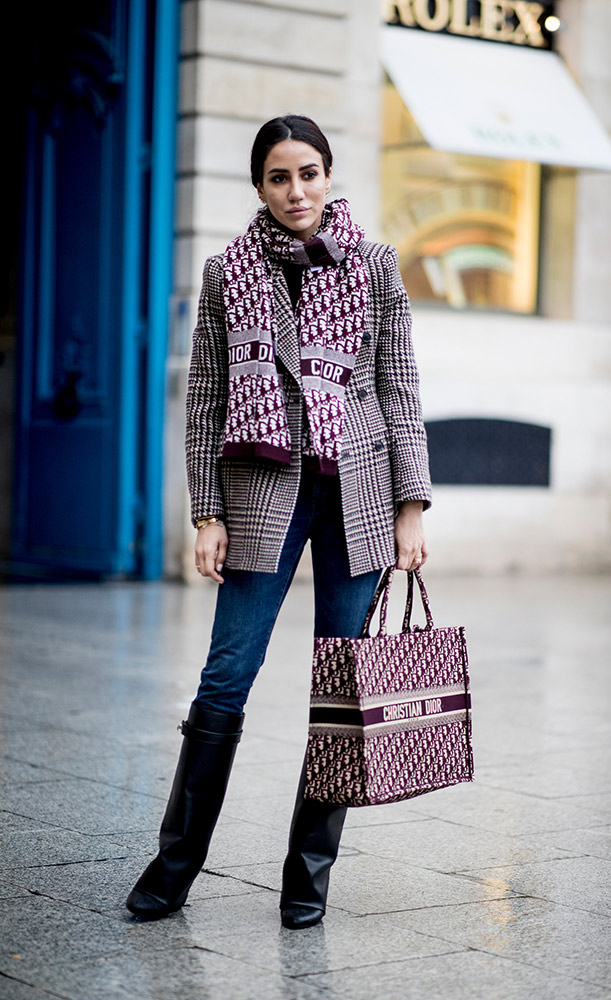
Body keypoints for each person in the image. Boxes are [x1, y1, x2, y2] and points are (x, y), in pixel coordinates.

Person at [126, 114, 431, 928]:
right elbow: (206, 404)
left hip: (358, 491)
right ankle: (174, 865)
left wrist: (411, 506)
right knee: (226, 673)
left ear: (328, 175)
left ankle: (308, 873)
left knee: (342, 691)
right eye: (277, 177)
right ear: (258, 185)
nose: (295, 191)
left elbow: (399, 389)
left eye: (307, 173)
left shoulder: (373, 263)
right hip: (262, 490)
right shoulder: (228, 270)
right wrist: (206, 512)